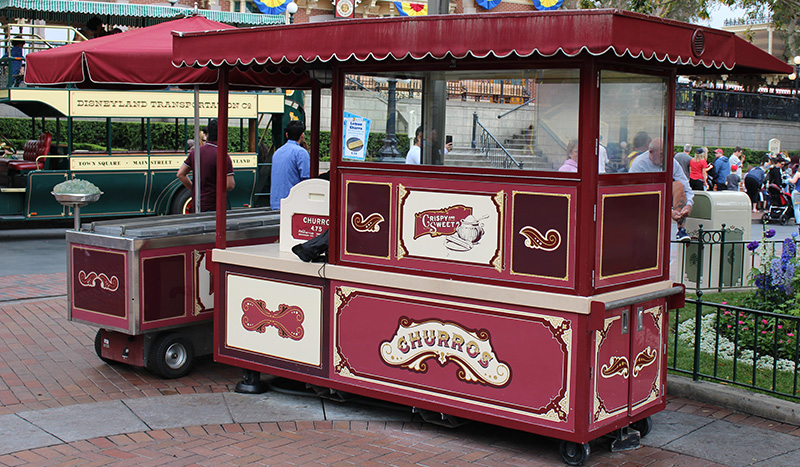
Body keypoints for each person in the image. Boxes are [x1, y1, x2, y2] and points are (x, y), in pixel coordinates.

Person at [630, 138, 694, 241]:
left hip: (662, 198)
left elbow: (686, 187)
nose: (664, 158)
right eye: (661, 155)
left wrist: (688, 204)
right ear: (650, 152)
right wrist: (668, 211)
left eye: (667, 154)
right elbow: (637, 195)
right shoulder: (639, 164)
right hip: (644, 203)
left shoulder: (672, 163)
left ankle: (681, 229)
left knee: (679, 185)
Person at [176, 119, 235, 212]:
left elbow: (180, 174)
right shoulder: (222, 155)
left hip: (198, 203)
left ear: (208, 134)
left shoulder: (195, 152)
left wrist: (194, 189)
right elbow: (230, 184)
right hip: (214, 204)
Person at [270, 120, 310, 210]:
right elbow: (306, 179)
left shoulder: (277, 153)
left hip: (276, 203)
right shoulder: (301, 152)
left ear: (287, 135)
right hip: (293, 204)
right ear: (302, 135)